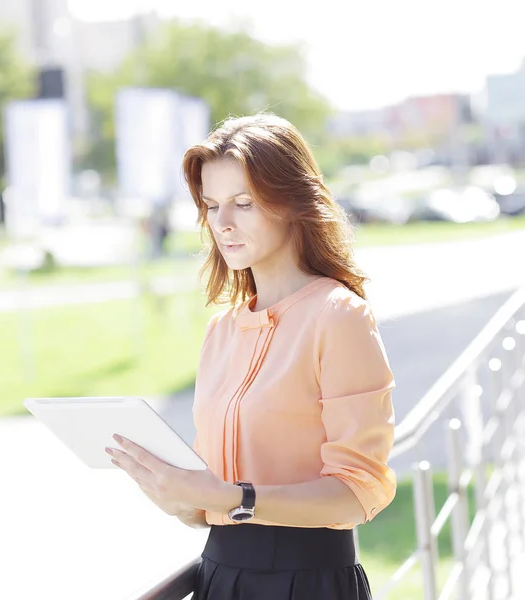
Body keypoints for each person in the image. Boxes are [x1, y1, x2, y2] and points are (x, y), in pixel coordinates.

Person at [105, 113, 396, 599]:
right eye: (212, 205)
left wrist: (233, 498)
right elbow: (206, 506)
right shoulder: (222, 329)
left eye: (244, 203)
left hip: (309, 584)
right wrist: (175, 494)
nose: (223, 223)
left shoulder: (338, 316)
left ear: (291, 202)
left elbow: (358, 490)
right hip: (220, 579)